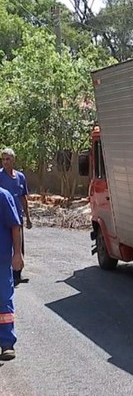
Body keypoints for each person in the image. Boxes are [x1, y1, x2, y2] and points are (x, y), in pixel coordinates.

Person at [0, 148, 31, 285]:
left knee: (19, 245)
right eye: (3, 159)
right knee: (6, 245)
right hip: (3, 219)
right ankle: (7, 276)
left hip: (17, 218)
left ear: (13, 160)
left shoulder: (20, 177)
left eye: (8, 159)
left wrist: (28, 217)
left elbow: (23, 198)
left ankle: (17, 274)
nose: (5, 162)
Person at [0, 186, 23, 361]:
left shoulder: (3, 196)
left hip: (1, 259)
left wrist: (17, 253)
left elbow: (15, 226)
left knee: (3, 299)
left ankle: (7, 343)